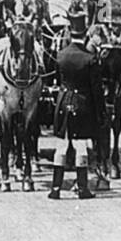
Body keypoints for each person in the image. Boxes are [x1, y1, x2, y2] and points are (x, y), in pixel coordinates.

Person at [48, 14, 104, 199]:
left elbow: (57, 79)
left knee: (62, 145)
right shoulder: (90, 58)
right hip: (83, 104)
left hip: (64, 102)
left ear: (70, 33)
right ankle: (82, 189)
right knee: (81, 146)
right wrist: (101, 113)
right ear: (85, 34)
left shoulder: (60, 55)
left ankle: (55, 189)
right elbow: (97, 90)